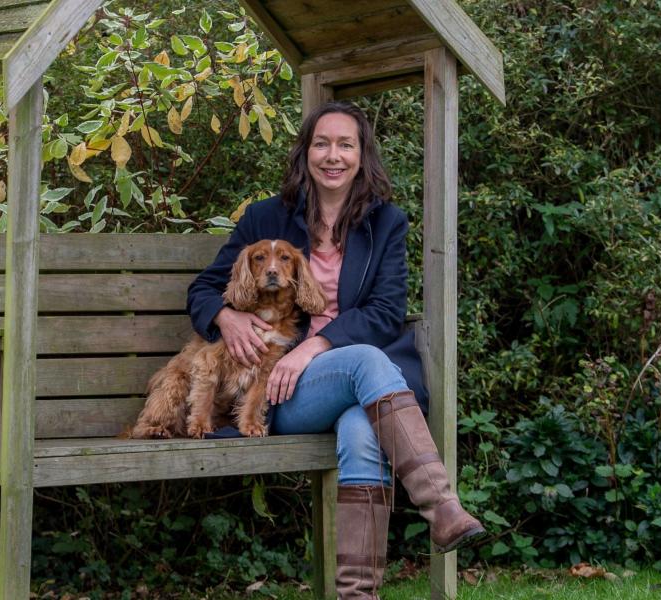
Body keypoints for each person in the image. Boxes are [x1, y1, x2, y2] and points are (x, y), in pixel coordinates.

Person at [187, 101, 485, 598]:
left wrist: (318, 344)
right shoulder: (266, 218)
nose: (333, 155)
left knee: (361, 430)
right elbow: (203, 289)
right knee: (371, 360)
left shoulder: (385, 222)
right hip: (283, 387)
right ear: (306, 153)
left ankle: (357, 595)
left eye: (345, 144)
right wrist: (227, 317)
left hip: (353, 386)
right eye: (322, 143)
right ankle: (441, 507)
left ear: (361, 155)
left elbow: (387, 310)